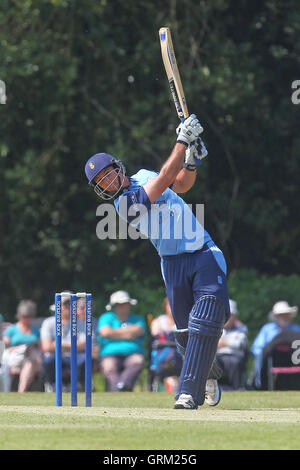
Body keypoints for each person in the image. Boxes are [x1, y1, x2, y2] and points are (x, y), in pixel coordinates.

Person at [84, 114, 230, 409]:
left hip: (202, 253)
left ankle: (188, 393)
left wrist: (189, 161)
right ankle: (208, 373)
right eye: (101, 183)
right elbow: (164, 178)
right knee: (186, 335)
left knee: (203, 323)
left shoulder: (143, 175)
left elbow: (178, 184)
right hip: (172, 264)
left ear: (117, 167)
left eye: (107, 175)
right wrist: (182, 141)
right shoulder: (124, 204)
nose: (107, 183)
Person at [40, 292, 89, 392]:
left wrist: (57, 345)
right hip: (56, 356)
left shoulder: (81, 323)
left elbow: (84, 345)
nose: (68, 307)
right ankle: (51, 384)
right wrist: (73, 346)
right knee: (49, 360)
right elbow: (47, 347)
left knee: (86, 359)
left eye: (71, 304)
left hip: (75, 356)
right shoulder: (49, 322)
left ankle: (79, 385)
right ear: (58, 306)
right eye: (65, 304)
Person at [97, 291, 145, 392]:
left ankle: (122, 385)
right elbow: (105, 333)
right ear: (114, 306)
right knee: (108, 366)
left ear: (129, 305)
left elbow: (138, 331)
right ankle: (117, 388)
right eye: (119, 304)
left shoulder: (138, 319)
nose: (122, 307)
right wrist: (128, 333)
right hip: (109, 355)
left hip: (133, 354)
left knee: (137, 361)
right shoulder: (106, 317)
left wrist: (113, 333)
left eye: (124, 304)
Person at [250, 300, 300, 389]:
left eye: (286, 314)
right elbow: (257, 348)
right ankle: (259, 383)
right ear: (276, 316)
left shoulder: (296, 329)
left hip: (293, 362)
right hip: (271, 361)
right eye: (282, 314)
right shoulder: (267, 329)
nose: (285, 316)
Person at [2, 300, 42, 392]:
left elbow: (40, 345)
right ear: (19, 315)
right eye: (24, 316)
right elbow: (5, 346)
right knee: (32, 362)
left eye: (29, 316)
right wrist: (21, 347)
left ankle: (21, 391)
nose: (26, 319)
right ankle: (23, 391)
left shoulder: (36, 330)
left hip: (31, 358)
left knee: (30, 363)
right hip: (14, 357)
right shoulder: (11, 330)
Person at [149, 297, 182, 392]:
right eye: (170, 304)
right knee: (171, 354)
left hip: (179, 355)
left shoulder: (184, 321)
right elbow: (155, 334)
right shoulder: (158, 321)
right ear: (165, 307)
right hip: (162, 355)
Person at [216, 299, 248, 390]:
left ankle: (237, 388)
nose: (227, 318)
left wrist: (224, 342)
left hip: (234, 355)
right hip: (218, 356)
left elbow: (240, 344)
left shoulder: (241, 328)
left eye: (230, 315)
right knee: (211, 363)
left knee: (235, 362)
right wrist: (229, 342)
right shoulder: (215, 327)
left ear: (235, 316)